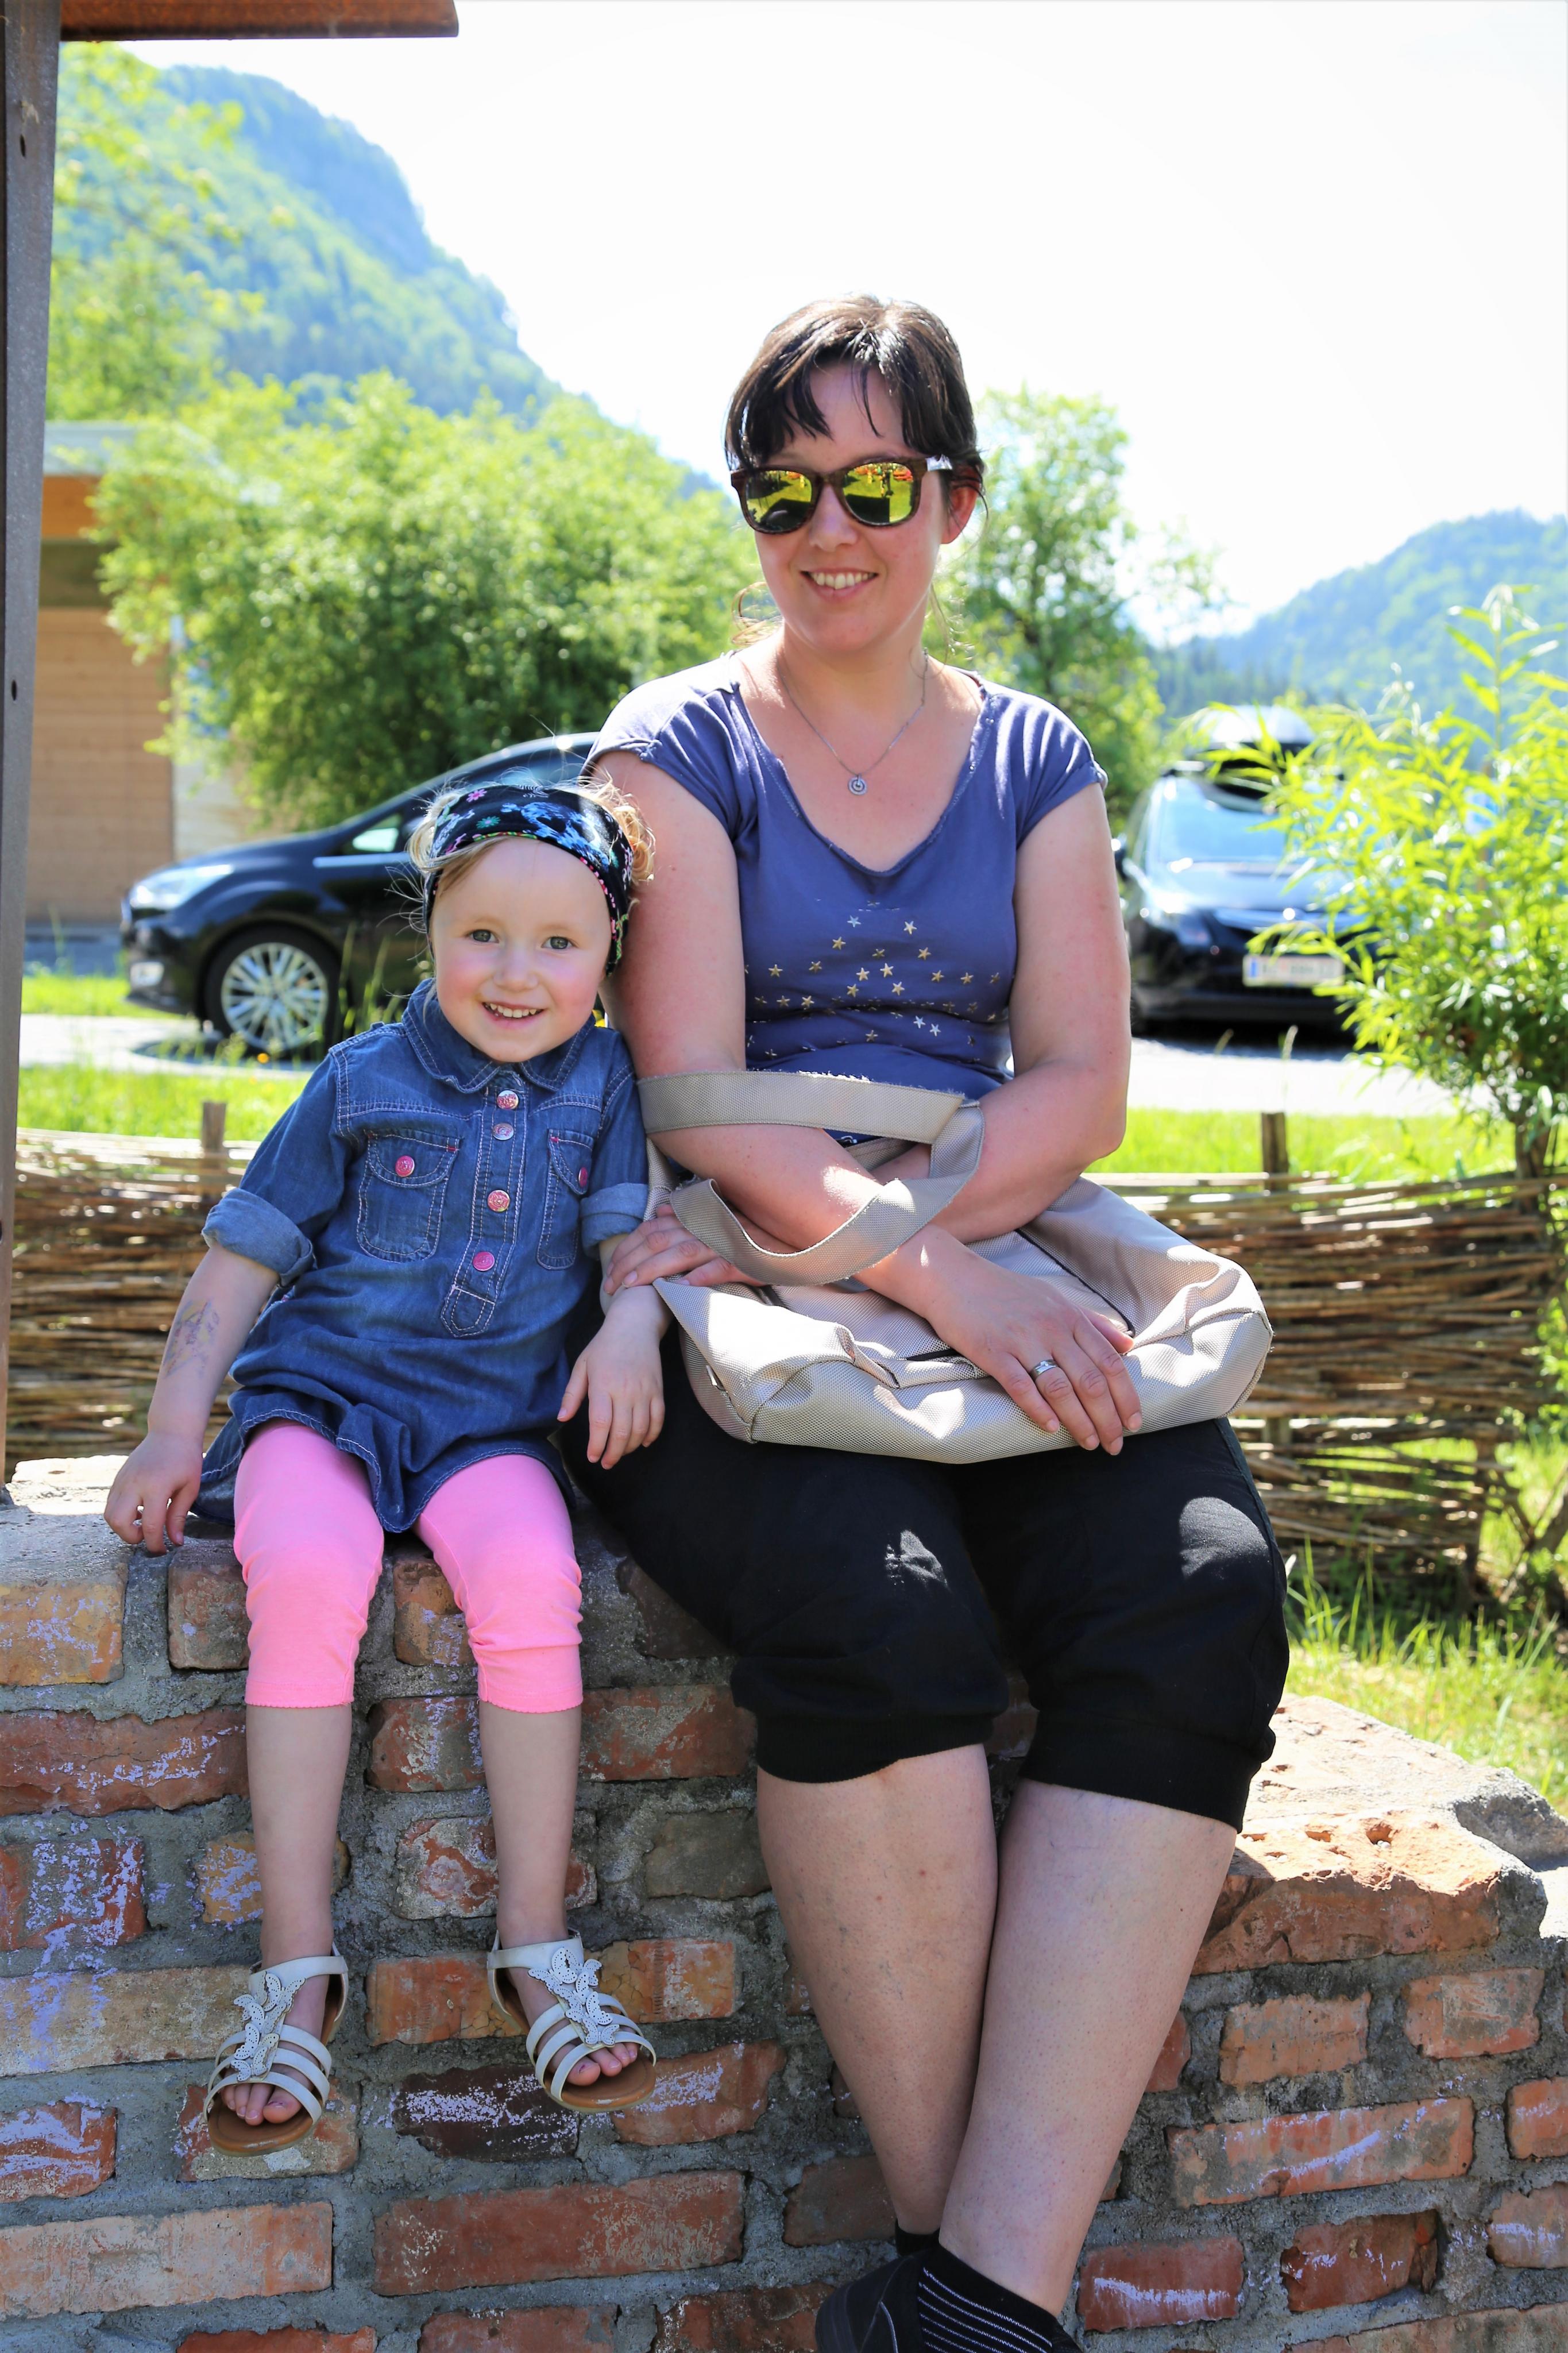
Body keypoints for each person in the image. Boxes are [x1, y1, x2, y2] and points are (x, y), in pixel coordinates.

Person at [571, 297, 1289, 2352]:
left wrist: (947, 1250)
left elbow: (1081, 1082)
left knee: (1198, 1590)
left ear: (954, 500)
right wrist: (928, 1268)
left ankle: (968, 2303)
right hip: (727, 1272)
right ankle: (963, 2277)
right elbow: (699, 1093)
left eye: (874, 484)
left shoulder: (1038, 759)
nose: (830, 529)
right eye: (782, 489)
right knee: (883, 1619)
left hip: (971, 1238)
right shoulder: (674, 748)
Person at [104, 775, 666, 2152]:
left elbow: (630, 1244)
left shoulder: (607, 1083)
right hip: (324, 1408)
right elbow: (239, 1267)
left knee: (533, 1579)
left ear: (609, 947)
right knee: (307, 1568)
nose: (518, 973)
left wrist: (634, 1327)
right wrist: (175, 1429)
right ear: (429, 927)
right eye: (482, 934)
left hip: (489, 1427)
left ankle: (535, 1941)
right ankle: (296, 1968)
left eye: (559, 941)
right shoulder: (361, 1078)